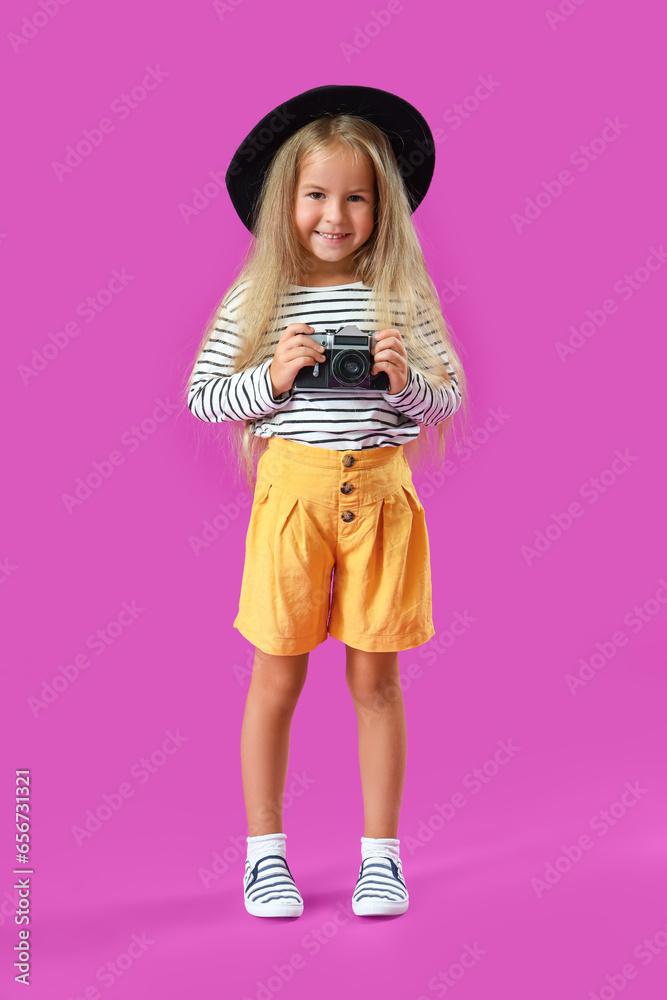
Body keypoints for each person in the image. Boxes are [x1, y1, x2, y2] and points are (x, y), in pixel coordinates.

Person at [185, 85, 468, 919]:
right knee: (276, 675)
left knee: (376, 679)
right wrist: (271, 377)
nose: (334, 215)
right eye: (316, 195)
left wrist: (403, 378)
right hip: (293, 496)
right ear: (287, 201)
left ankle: (380, 858)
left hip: (381, 494)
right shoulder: (259, 296)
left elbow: (447, 400)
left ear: (384, 208)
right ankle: (262, 855)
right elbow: (203, 400)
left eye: (356, 197)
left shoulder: (402, 297)